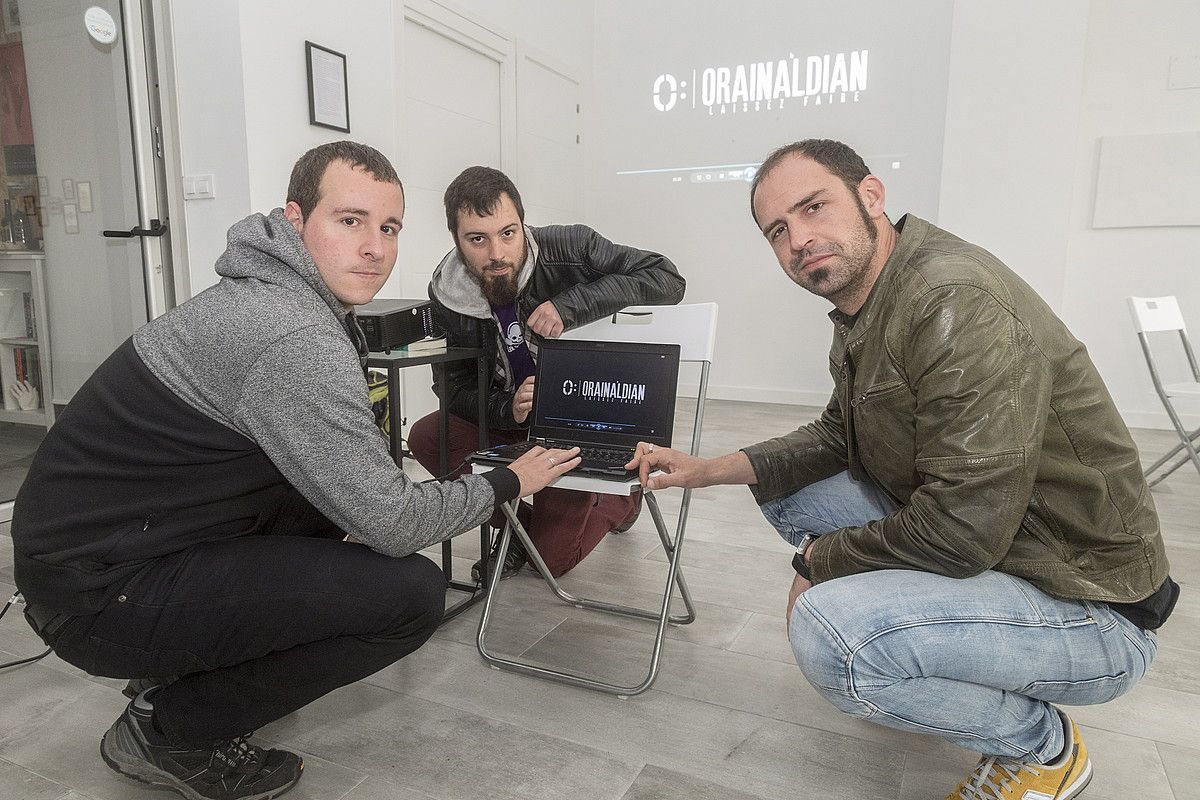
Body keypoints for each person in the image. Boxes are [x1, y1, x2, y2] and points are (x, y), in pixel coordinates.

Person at [10, 141, 580, 800]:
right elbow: (395, 523)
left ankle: (177, 672)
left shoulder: (282, 300)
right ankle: (171, 729)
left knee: (327, 513)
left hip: (113, 552)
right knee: (406, 597)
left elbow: (355, 487)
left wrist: (362, 515)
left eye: (388, 228)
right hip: (93, 594)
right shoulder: (291, 334)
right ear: (294, 219)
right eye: (350, 221)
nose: (375, 247)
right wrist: (511, 480)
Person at [629, 139, 1178, 800]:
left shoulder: (953, 302)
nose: (800, 238)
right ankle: (929, 657)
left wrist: (822, 563)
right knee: (783, 489)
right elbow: (839, 433)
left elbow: (961, 532)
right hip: (1009, 549)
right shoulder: (875, 299)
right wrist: (707, 468)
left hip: (1089, 606)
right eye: (779, 230)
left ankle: (1042, 750)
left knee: (832, 637)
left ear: (870, 196)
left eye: (814, 207)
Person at [409, 165, 685, 581]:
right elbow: (453, 386)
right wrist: (508, 408)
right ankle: (518, 533)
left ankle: (618, 502)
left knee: (552, 563)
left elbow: (667, 278)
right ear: (456, 240)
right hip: (517, 425)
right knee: (428, 436)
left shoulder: (570, 247)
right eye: (477, 239)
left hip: (578, 424)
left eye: (508, 233)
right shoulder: (447, 293)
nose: (497, 253)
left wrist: (570, 306)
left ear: (524, 225)